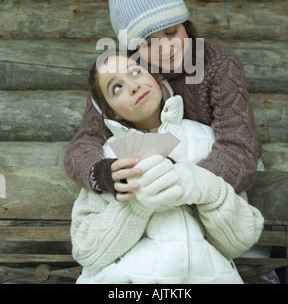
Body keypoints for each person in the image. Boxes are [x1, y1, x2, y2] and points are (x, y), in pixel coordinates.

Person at [64, 0, 262, 200]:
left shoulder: (220, 64)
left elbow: (240, 150)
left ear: (185, 25)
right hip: (148, 190)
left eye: (171, 32)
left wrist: (178, 183)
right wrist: (104, 173)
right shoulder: (125, 72)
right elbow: (84, 142)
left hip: (211, 186)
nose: (166, 49)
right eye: (148, 43)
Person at [71, 52, 264, 284]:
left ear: (157, 79)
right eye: (117, 88)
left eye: (136, 72)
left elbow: (240, 240)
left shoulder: (209, 142)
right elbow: (87, 252)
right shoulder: (108, 161)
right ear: (112, 112)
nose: (133, 86)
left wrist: (205, 188)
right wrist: (138, 205)